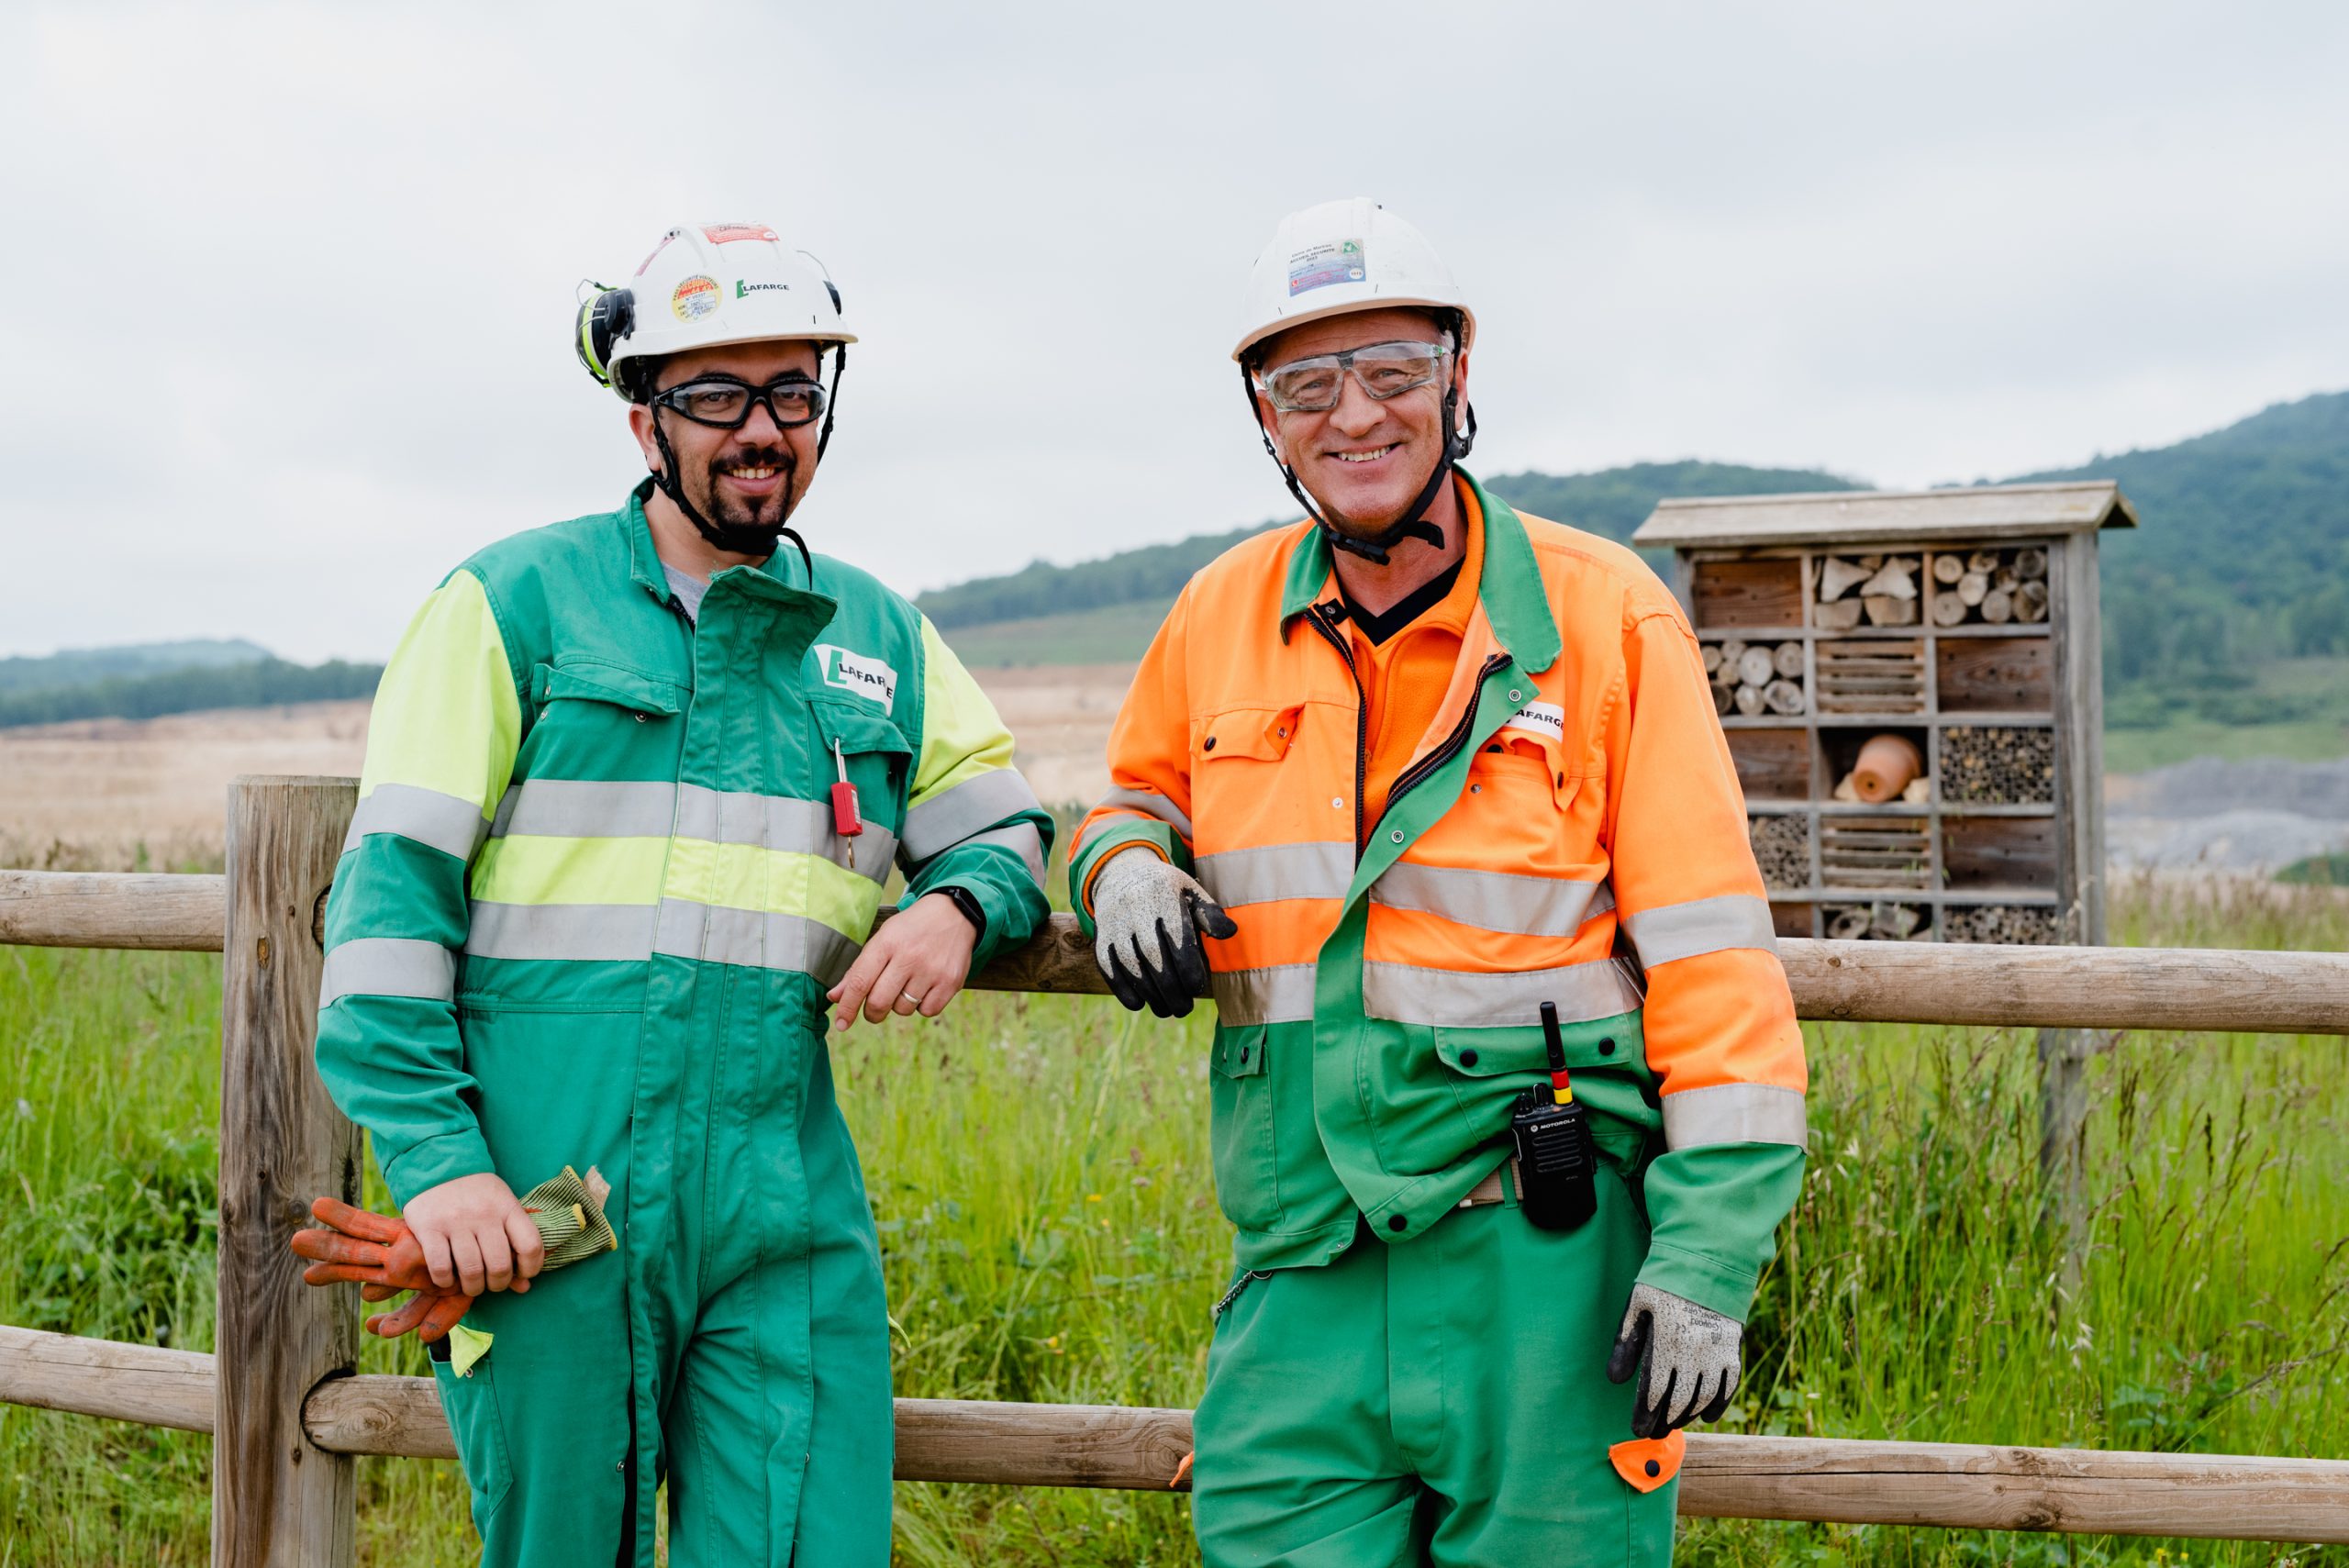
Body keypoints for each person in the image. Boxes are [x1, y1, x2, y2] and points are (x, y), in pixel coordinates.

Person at [1070, 198, 1808, 1565]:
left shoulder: (1604, 617)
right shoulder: (1217, 615)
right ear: (1266, 417)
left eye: (1394, 371)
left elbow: (1714, 961)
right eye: (1308, 384)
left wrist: (1706, 1257)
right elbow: (1135, 798)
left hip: (1544, 1267)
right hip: (1298, 1265)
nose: (1355, 413)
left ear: (1459, 379)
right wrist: (1118, 866)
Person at [312, 221, 1052, 1567]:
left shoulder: (875, 636)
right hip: (544, 1214)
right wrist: (442, 1164)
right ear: (642, 414)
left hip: (784, 1212)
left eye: (792, 393)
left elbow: (1003, 823)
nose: (759, 430)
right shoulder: (510, 605)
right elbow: (384, 919)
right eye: (716, 395)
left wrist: (959, 904)